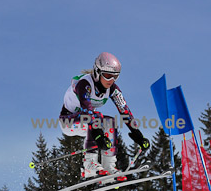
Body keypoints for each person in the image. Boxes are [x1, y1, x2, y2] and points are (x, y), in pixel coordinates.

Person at [59, 52, 150, 183]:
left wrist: (138, 135)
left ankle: (109, 167)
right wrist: (98, 135)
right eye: (107, 76)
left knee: (110, 122)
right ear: (97, 72)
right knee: (94, 116)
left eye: (115, 77)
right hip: (68, 122)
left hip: (88, 124)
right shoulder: (84, 84)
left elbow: (125, 111)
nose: (111, 80)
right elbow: (87, 110)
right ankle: (89, 165)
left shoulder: (113, 89)